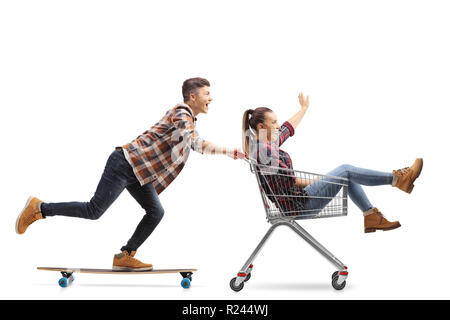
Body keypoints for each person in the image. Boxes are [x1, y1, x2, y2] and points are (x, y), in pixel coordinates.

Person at [16, 77, 242, 270]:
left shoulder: (188, 120)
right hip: (125, 164)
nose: (210, 98)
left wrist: (227, 152)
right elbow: (195, 142)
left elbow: (191, 142)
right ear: (192, 97)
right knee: (94, 210)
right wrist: (228, 151)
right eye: (207, 94)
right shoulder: (182, 113)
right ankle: (40, 208)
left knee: (155, 211)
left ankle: (125, 256)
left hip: (139, 172)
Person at [241, 92, 423, 233]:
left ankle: (371, 216)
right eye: (274, 122)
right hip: (299, 205)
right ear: (261, 127)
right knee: (345, 171)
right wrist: (327, 179)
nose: (278, 125)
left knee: (346, 174)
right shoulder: (264, 152)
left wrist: (303, 109)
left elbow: (287, 130)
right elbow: (292, 181)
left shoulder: (265, 144)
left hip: (296, 202)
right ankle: (398, 179)